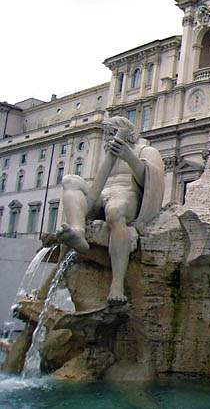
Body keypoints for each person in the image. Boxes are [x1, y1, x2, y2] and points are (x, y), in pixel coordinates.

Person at [57, 117, 164, 304]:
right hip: (102, 196)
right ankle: (78, 232)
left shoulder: (146, 151)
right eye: (106, 133)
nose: (107, 138)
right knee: (69, 180)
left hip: (127, 195)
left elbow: (152, 181)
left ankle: (117, 284)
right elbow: (97, 188)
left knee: (115, 212)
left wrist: (129, 156)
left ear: (128, 134)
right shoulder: (106, 157)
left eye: (111, 132)